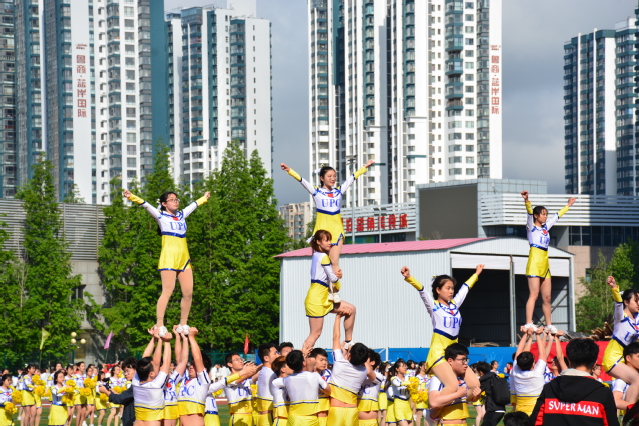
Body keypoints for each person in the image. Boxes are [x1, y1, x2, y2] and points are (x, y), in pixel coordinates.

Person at [280, 160, 375, 302]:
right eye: (329, 176)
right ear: (322, 178)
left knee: (334, 261)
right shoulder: (316, 192)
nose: (333, 178)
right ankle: (322, 290)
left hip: (336, 231)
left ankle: (334, 292)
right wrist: (289, 170)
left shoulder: (338, 191)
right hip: (321, 232)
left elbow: (352, 178)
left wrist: (365, 167)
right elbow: (302, 181)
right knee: (320, 262)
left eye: (334, 176)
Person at [123, 189, 211, 336]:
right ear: (164, 203)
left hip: (184, 259)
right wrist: (131, 196)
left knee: (188, 293)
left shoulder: (182, 215)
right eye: (171, 200)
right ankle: (159, 324)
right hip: (169, 258)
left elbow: (193, 205)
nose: (175, 202)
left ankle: (183, 324)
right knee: (167, 292)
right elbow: (145, 205)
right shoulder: (160, 215)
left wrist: (204, 198)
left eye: (176, 199)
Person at [400, 265, 483, 399]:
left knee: (475, 385)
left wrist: (476, 274)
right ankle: (434, 406)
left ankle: (455, 403)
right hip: (438, 353)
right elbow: (422, 290)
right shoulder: (433, 306)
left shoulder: (454, 304)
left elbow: (465, 288)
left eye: (452, 288)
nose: (451, 291)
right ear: (438, 290)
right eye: (447, 288)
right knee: (453, 386)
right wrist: (409, 277)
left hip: (454, 354)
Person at [529, 338, 619, 426]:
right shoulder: (603, 393)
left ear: (569, 361)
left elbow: (536, 422)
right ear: (594, 364)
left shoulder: (549, 389)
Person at [521, 191, 575, 333]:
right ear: (536, 216)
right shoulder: (531, 227)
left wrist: (568, 205)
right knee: (534, 295)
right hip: (534, 262)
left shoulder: (546, 227)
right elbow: (529, 213)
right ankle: (528, 323)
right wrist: (527, 201)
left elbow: (557, 216)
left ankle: (549, 324)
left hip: (545, 263)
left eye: (546, 214)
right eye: (543, 214)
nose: (545, 216)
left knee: (547, 297)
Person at [303, 229, 357, 353]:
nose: (329, 243)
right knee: (315, 333)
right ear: (318, 242)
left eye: (330, 240)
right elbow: (332, 278)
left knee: (351, 309)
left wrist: (335, 275)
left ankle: (348, 341)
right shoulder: (323, 256)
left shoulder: (316, 254)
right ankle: (300, 358)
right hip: (317, 299)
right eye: (326, 240)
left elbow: (329, 276)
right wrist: (337, 277)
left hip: (323, 297)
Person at [602, 276, 639, 407]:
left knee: (631, 382)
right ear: (626, 302)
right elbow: (618, 303)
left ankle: (627, 411)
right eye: (636, 301)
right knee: (637, 379)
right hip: (613, 358)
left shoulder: (637, 318)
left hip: (625, 358)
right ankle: (632, 412)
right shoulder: (621, 317)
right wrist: (614, 288)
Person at [327, 313, 369, 426]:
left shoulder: (339, 362)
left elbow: (336, 337)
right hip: (352, 411)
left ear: (350, 354)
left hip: (336, 410)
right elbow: (363, 362)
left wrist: (338, 317)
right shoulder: (364, 371)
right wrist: (349, 352)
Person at [427, 343, 480, 425]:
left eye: (466, 360)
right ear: (450, 361)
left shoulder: (463, 379)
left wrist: (476, 395)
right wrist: (457, 394)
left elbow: (467, 400)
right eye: (463, 360)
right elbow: (434, 402)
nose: (466, 363)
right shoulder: (438, 379)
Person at [133, 329, 173, 426]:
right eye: (155, 366)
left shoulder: (135, 381)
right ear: (151, 374)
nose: (157, 365)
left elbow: (145, 358)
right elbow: (167, 361)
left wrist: (155, 339)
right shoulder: (156, 385)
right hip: (152, 423)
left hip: (137, 422)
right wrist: (167, 342)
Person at [511, 329, 549, 416]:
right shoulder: (537, 373)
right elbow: (542, 353)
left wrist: (526, 335)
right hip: (536, 413)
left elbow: (519, 352)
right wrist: (538, 335)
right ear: (533, 363)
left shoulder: (516, 372)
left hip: (520, 412)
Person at [222, 352, 261, 426]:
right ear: (230, 364)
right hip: (238, 417)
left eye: (241, 359)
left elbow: (257, 374)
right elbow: (248, 375)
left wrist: (266, 363)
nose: (241, 361)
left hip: (250, 417)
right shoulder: (228, 380)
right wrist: (246, 371)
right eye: (237, 360)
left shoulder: (246, 380)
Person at [99, 358, 137, 426]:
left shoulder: (137, 386)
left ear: (136, 370)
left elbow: (120, 399)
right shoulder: (135, 384)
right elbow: (125, 397)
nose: (126, 374)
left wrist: (105, 391)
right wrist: (114, 392)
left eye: (128, 371)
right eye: (124, 371)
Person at [611, 342, 639, 412]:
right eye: (638, 356)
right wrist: (635, 408)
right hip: (628, 418)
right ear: (628, 358)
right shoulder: (621, 381)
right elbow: (616, 401)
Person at [476, 361, 506, 426]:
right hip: (501, 408)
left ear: (481, 372)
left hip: (493, 409)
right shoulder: (496, 377)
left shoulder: (486, 380)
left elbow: (476, 392)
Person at [357, 350, 383, 426]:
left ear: (372, 362)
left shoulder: (379, 376)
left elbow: (369, 372)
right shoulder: (356, 375)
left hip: (370, 422)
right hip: (354, 421)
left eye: (365, 357)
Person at [308, 348, 331, 426]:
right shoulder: (306, 374)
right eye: (321, 360)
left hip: (325, 412)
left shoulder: (329, 373)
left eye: (325, 360)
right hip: (311, 413)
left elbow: (330, 390)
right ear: (313, 360)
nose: (324, 362)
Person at [389, 359, 412, 426]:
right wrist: (409, 383)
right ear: (397, 369)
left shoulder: (408, 377)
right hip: (399, 404)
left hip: (407, 405)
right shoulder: (394, 378)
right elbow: (397, 384)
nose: (405, 368)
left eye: (405, 366)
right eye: (402, 366)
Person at [268, 357, 290, 426]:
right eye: (289, 365)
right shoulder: (276, 382)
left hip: (291, 419)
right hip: (281, 420)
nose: (292, 367)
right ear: (283, 369)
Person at [73, 362, 88, 426]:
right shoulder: (75, 376)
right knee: (79, 412)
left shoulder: (85, 376)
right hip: (78, 396)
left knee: (83, 413)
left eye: (84, 366)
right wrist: (80, 389)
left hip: (84, 396)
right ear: (78, 367)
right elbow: (73, 386)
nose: (83, 367)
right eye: (82, 366)